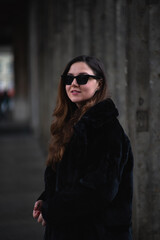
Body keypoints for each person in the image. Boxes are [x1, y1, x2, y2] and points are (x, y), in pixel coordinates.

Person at [33, 55, 133, 240]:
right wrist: (46, 198)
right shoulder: (70, 125)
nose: (74, 84)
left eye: (83, 78)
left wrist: (53, 209)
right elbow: (67, 178)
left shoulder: (107, 130)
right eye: (69, 78)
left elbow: (99, 190)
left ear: (99, 84)